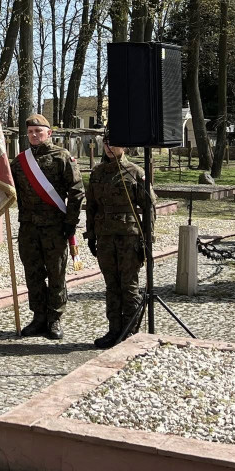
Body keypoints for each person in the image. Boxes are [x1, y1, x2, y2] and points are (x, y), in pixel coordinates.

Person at [11, 114, 84, 340]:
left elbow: (77, 191)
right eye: (30, 132)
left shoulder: (62, 157)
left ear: (49, 133)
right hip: (29, 228)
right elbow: (9, 188)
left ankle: (54, 318)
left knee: (56, 273)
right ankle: (39, 316)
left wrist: (70, 222)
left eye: (38, 131)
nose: (34, 135)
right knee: (33, 274)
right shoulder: (20, 162)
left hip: (55, 227)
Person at [84, 132, 155, 349]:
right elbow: (91, 207)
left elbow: (149, 207)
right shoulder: (97, 173)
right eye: (106, 143)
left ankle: (130, 331)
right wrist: (91, 235)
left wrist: (148, 238)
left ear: (123, 146)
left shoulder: (134, 172)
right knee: (111, 286)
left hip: (128, 237)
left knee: (129, 286)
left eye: (113, 143)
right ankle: (114, 330)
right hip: (105, 237)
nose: (109, 147)